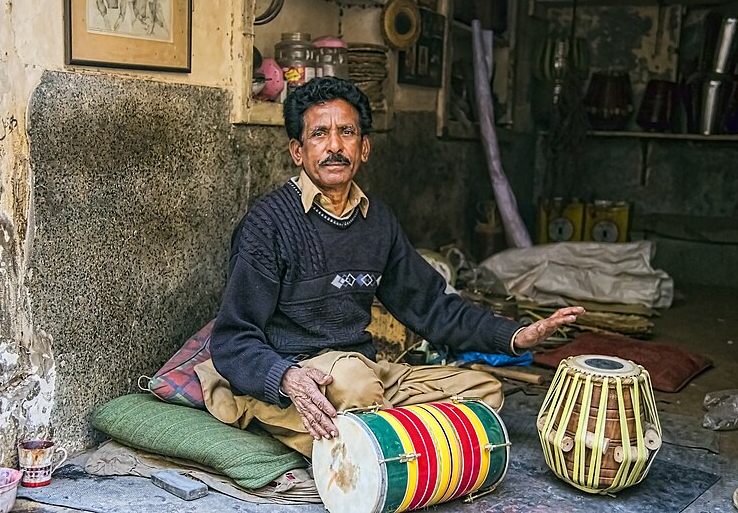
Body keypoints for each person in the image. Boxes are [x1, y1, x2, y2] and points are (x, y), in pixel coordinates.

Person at [197, 77, 584, 456]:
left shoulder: (377, 221)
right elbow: (233, 339)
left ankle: (372, 438)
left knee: (483, 391)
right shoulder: (267, 224)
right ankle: (383, 437)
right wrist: (286, 377)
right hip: (302, 380)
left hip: (364, 372)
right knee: (356, 385)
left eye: (346, 132)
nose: (334, 146)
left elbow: (432, 305)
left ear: (364, 148)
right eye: (319, 134)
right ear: (298, 151)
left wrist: (515, 336)